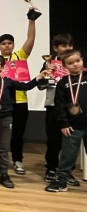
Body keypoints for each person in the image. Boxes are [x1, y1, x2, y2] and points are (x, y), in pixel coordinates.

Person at [0, 54, 46, 189]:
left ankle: (4, 174)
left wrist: (38, 78)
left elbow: (26, 86)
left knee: (3, 149)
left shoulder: (8, 82)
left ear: (2, 67)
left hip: (6, 119)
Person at [0, 8, 38, 175]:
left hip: (20, 101)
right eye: (3, 43)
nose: (7, 45)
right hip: (0, 102)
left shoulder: (20, 56)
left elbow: (30, 39)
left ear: (13, 45)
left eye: (9, 43)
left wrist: (32, 20)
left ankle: (17, 160)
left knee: (18, 133)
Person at [46, 49, 87, 193]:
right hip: (72, 126)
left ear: (82, 60)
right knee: (67, 155)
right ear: (64, 66)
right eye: (70, 63)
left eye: (78, 61)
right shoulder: (63, 83)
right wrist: (64, 123)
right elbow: (59, 106)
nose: (75, 64)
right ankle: (61, 181)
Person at [40, 33, 74, 182]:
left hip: (71, 108)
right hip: (53, 106)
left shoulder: (75, 64)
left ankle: (67, 171)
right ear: (55, 48)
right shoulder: (49, 64)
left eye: (70, 45)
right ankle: (51, 168)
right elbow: (41, 86)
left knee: (70, 141)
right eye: (64, 45)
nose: (68, 48)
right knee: (53, 140)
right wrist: (47, 74)